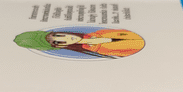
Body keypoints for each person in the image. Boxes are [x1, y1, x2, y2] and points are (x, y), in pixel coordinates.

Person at [14, 28, 145, 58]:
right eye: (58, 42)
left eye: (58, 34)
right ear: (60, 47)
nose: (66, 38)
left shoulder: (101, 32)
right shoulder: (101, 51)